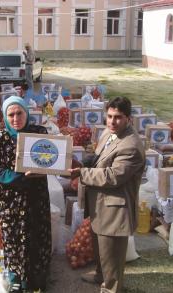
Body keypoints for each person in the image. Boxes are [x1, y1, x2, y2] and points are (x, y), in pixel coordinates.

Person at [68, 97, 145, 293]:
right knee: (101, 249)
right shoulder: (108, 133)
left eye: (118, 117)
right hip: (100, 203)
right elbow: (99, 157)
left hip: (115, 208)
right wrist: (84, 162)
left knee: (112, 256)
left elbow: (112, 177)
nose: (112, 121)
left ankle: (111, 288)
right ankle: (100, 275)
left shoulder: (131, 145)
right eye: (109, 116)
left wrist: (81, 173)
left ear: (128, 118)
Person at [0, 96, 51, 292]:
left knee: (37, 233)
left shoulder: (39, 133)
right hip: (12, 199)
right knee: (14, 236)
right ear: (5, 117)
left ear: (27, 113)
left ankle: (36, 278)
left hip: (37, 196)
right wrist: (21, 175)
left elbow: (51, 158)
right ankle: (17, 278)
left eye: (19, 113)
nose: (15, 118)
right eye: (11, 114)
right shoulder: (0, 138)